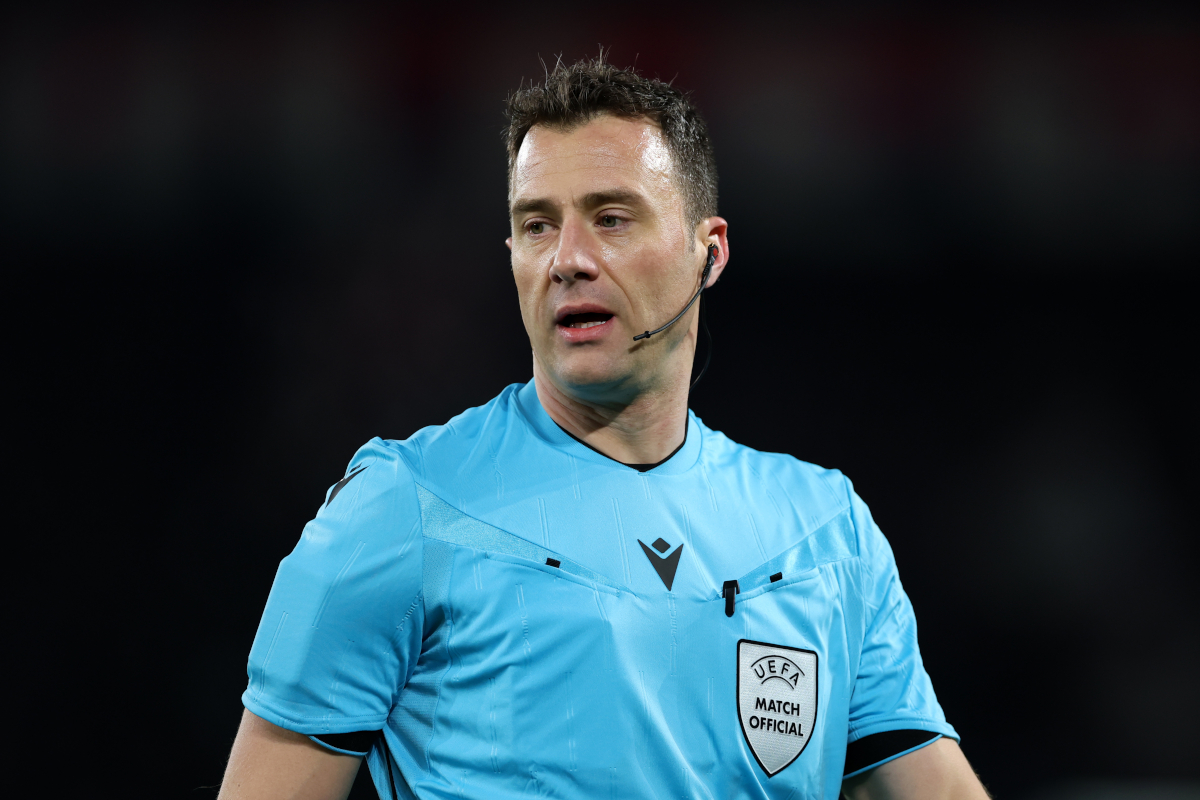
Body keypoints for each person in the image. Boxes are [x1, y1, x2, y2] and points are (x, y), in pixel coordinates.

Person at [219, 56, 990, 800]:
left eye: (611, 219)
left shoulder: (826, 533)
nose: (568, 260)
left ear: (708, 253)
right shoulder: (399, 508)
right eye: (536, 226)